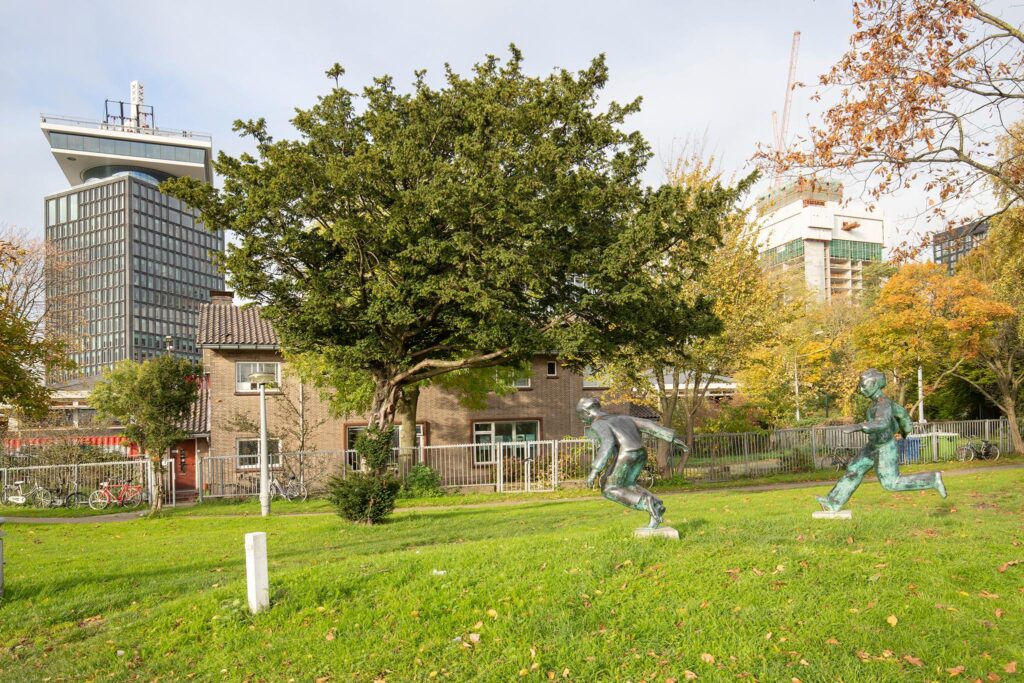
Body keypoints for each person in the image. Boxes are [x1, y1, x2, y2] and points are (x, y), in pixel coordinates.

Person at [816, 368, 947, 512]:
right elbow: (902, 416)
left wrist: (859, 426)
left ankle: (932, 479)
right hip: (873, 446)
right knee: (854, 469)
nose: (861, 389)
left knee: (891, 484)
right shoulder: (877, 403)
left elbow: (882, 423)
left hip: (885, 447)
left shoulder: (883, 403)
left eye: (864, 386)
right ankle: (833, 501)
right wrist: (903, 427)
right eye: (860, 386)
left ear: (875, 384)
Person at [578, 397, 687, 529]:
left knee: (609, 489)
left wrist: (594, 471)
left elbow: (607, 443)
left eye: (581, 417)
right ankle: (657, 504)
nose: (582, 420)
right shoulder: (622, 418)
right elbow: (648, 424)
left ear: (587, 413)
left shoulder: (598, 423)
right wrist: (672, 437)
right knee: (628, 485)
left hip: (627, 454)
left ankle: (647, 502)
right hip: (641, 453)